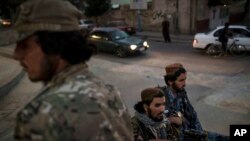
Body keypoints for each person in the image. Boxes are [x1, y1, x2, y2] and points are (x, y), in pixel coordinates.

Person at [0, 0, 133, 140]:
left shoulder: (40, 115)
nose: (16, 55)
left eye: (24, 45)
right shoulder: (109, 90)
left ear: (54, 44)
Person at [159, 63, 229, 141]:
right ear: (170, 81)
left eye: (185, 79)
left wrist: (201, 134)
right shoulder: (161, 99)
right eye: (181, 80)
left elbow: (192, 115)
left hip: (194, 133)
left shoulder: (181, 92)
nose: (184, 84)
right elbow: (155, 125)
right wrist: (171, 119)